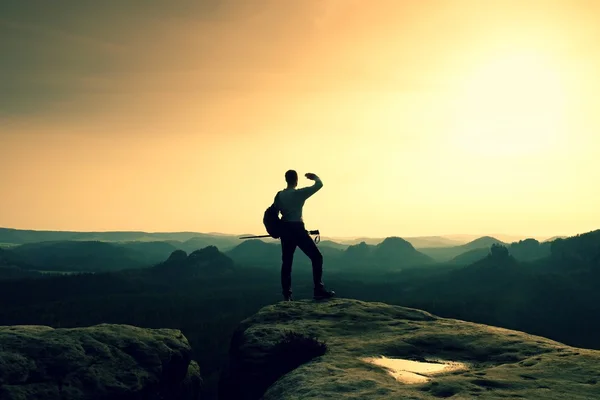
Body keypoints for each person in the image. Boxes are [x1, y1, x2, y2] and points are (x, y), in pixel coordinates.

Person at [274, 170, 335, 301]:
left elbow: (274, 213)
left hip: (286, 230)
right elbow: (319, 185)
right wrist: (315, 177)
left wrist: (278, 229)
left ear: (286, 179)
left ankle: (287, 296)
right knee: (317, 257)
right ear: (296, 180)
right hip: (298, 229)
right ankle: (318, 289)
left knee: (287, 263)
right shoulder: (299, 194)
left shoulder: (279, 195)